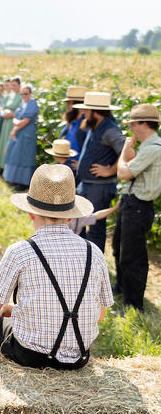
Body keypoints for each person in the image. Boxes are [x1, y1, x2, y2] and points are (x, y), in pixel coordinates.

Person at [0, 164, 113, 370]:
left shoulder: (21, 251)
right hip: (80, 357)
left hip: (32, 355)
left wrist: (9, 310)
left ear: (30, 213)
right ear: (71, 216)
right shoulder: (95, 252)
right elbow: (99, 315)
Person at [113, 104, 161, 311]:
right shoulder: (149, 147)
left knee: (132, 257)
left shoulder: (152, 148)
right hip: (132, 203)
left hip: (139, 207)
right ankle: (122, 288)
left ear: (143, 124)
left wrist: (124, 151)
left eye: (133, 124)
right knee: (119, 248)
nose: (131, 129)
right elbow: (132, 170)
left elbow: (122, 173)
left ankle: (133, 305)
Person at [72, 92, 125, 252]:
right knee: (79, 225)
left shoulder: (110, 130)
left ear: (96, 112)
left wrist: (110, 170)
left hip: (99, 188)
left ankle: (95, 265)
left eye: (87, 111)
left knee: (95, 229)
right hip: (87, 185)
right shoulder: (95, 127)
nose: (84, 113)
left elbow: (126, 151)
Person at [3, 84, 39, 189]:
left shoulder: (32, 104)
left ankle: (22, 182)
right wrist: (16, 124)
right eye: (22, 94)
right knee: (15, 155)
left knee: (24, 157)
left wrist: (15, 128)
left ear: (30, 94)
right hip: (19, 132)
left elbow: (26, 120)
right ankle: (13, 179)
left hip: (27, 133)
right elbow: (15, 117)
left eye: (26, 94)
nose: (24, 96)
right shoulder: (22, 104)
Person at [0, 77, 22, 171]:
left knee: (9, 144)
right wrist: (1, 112)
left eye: (14, 85)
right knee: (2, 143)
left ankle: (6, 168)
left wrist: (12, 114)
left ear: (19, 85)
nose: (12, 87)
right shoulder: (9, 96)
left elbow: (21, 111)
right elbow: (1, 107)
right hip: (5, 122)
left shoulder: (21, 97)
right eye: (11, 85)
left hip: (13, 123)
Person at [59, 86, 88, 169]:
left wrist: (82, 165)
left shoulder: (85, 124)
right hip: (66, 165)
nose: (67, 106)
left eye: (69, 103)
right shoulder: (71, 121)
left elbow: (91, 149)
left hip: (76, 168)